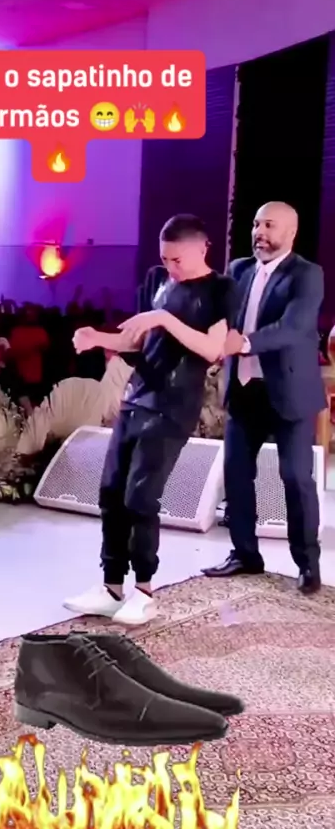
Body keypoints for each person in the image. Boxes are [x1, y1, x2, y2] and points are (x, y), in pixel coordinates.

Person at [63, 215, 236, 625]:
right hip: (137, 397)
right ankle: (111, 587)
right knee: (111, 492)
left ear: (202, 249)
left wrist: (163, 318)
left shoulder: (220, 289)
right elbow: (139, 341)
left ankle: (144, 591)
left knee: (141, 497)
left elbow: (212, 349)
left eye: (177, 260)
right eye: (165, 259)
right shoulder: (160, 282)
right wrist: (98, 338)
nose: (170, 267)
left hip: (174, 405)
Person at [202, 202, 326, 594]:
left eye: (269, 225)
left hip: (290, 392)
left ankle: (307, 564)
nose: (259, 232)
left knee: (296, 477)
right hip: (243, 390)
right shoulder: (238, 269)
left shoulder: (307, 274)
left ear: (291, 232)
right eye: (256, 224)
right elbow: (219, 316)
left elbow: (293, 327)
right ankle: (245, 555)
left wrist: (244, 343)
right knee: (237, 474)